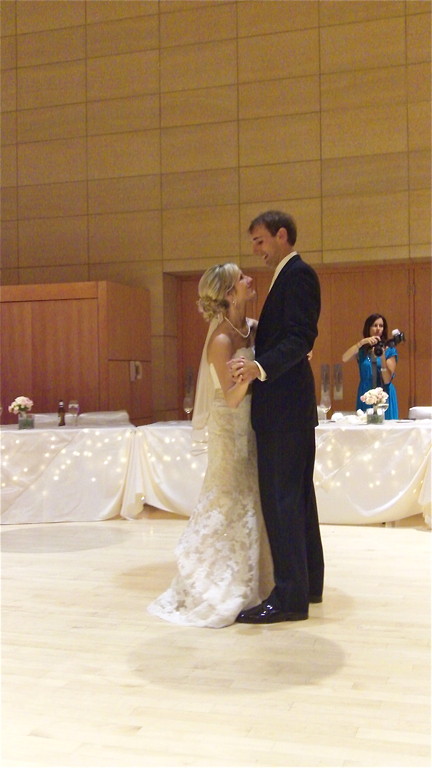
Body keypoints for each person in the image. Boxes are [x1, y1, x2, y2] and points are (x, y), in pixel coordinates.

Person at [147, 263, 273, 628]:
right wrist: (250, 376)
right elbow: (231, 396)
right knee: (229, 494)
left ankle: (259, 575)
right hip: (229, 425)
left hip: (251, 424)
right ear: (231, 293)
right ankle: (220, 575)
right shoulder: (220, 339)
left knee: (251, 495)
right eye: (242, 279)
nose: (250, 280)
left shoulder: (251, 328)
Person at [229, 210, 324, 624]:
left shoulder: (298, 275)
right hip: (290, 413)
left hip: (284, 413)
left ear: (281, 235)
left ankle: (288, 598)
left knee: (283, 502)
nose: (256, 249)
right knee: (298, 500)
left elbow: (301, 337)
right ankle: (309, 584)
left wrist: (258, 367)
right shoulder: (287, 276)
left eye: (260, 241)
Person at [342, 313, 398, 419]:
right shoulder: (362, 351)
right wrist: (361, 343)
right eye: (374, 325)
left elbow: (387, 380)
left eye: (381, 326)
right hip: (366, 393)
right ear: (368, 328)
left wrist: (381, 357)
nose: (378, 329)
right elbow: (344, 358)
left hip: (384, 394)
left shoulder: (389, 349)